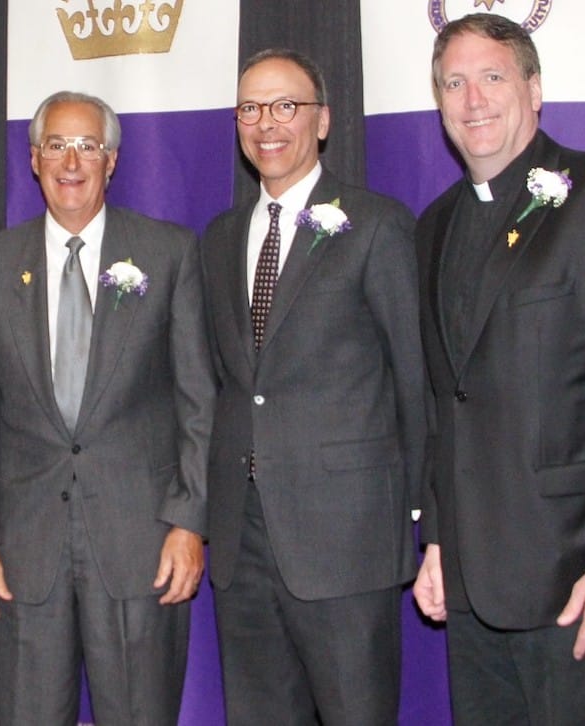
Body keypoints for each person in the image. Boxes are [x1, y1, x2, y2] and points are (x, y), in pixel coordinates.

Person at [411, 13, 585, 724]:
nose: (472, 99)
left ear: (535, 89)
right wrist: (438, 537)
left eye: (492, 77)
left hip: (577, 579)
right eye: (454, 82)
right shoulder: (434, 226)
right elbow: (446, 401)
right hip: (472, 584)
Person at [0, 90, 215, 725]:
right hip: (24, 552)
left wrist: (189, 521)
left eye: (88, 146)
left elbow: (198, 399)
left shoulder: (169, 253)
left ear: (113, 160)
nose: (72, 162)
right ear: (34, 158)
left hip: (141, 545)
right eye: (57, 146)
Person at [199, 49, 425, 725]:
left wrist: (421, 515)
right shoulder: (218, 239)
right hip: (242, 543)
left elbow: (413, 379)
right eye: (250, 108)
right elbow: (223, 383)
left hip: (346, 542)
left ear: (322, 121)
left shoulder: (376, 225)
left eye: (285, 106)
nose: (267, 123)